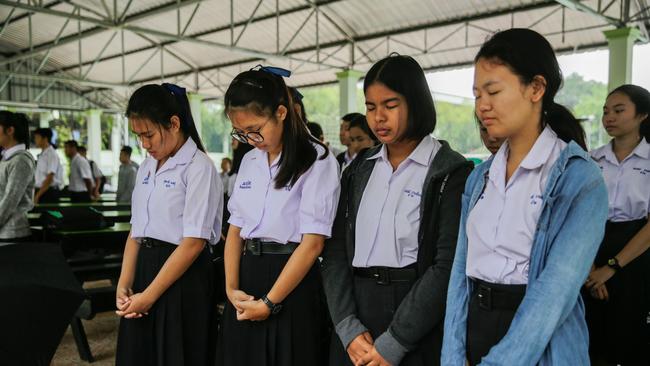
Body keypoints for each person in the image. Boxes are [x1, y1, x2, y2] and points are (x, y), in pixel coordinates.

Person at [441, 28, 608, 366]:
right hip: (477, 326)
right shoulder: (479, 178)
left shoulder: (579, 179)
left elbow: (555, 293)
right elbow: (460, 275)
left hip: (539, 341)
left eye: (493, 91)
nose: (482, 107)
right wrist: (453, 355)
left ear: (536, 88)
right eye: (476, 95)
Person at [321, 55, 472, 366]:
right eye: (371, 107)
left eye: (390, 105)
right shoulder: (358, 170)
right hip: (356, 317)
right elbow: (335, 252)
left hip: (416, 316)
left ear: (415, 103)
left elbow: (446, 266)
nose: (378, 117)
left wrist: (396, 341)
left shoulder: (450, 172)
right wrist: (347, 328)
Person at [217, 66, 340, 366]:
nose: (250, 139)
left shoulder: (317, 160)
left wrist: (270, 302)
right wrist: (231, 288)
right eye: (241, 132)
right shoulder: (249, 161)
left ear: (282, 112)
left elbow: (312, 243)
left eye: (256, 129)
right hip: (247, 275)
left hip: (290, 279)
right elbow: (235, 231)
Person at [115, 83, 223, 365]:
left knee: (177, 354)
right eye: (139, 136)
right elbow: (135, 232)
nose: (144, 144)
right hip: (145, 270)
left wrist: (149, 296)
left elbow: (193, 243)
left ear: (174, 123)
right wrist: (125, 285)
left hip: (182, 275)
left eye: (149, 134)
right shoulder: (146, 167)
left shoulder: (199, 167)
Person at [584, 84, 650, 365]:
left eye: (619, 110)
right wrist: (590, 270)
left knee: (629, 333)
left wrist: (609, 269)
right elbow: (580, 214)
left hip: (635, 251)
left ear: (642, 115)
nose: (609, 117)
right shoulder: (591, 159)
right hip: (590, 245)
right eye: (605, 111)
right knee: (592, 333)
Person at [0, 112, 35, 242]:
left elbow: (10, 199)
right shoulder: (5, 158)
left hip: (12, 232)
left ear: (10, 130)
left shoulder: (21, 160)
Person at [33, 127, 64, 203]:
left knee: (49, 214)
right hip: (42, 191)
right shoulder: (43, 154)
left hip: (48, 193)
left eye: (37, 138)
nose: (35, 140)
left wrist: (38, 195)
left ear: (45, 139)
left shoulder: (51, 154)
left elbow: (50, 178)